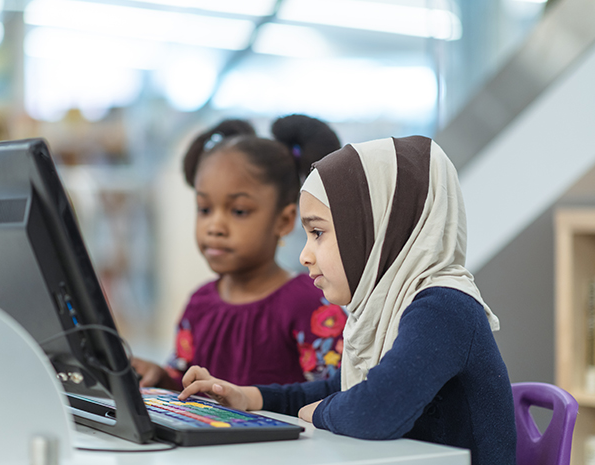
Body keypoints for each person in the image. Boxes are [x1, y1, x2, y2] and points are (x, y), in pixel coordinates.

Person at [178, 136, 517, 464]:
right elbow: (338, 387)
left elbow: (375, 411)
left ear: (377, 228)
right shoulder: (385, 309)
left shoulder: (443, 308)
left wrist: (320, 411)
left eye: (318, 233)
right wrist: (247, 397)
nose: (305, 256)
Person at [133, 114, 348, 390]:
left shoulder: (310, 304)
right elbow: (185, 383)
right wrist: (161, 378)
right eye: (205, 209)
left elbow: (334, 393)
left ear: (283, 220)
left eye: (238, 211)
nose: (215, 226)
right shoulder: (199, 304)